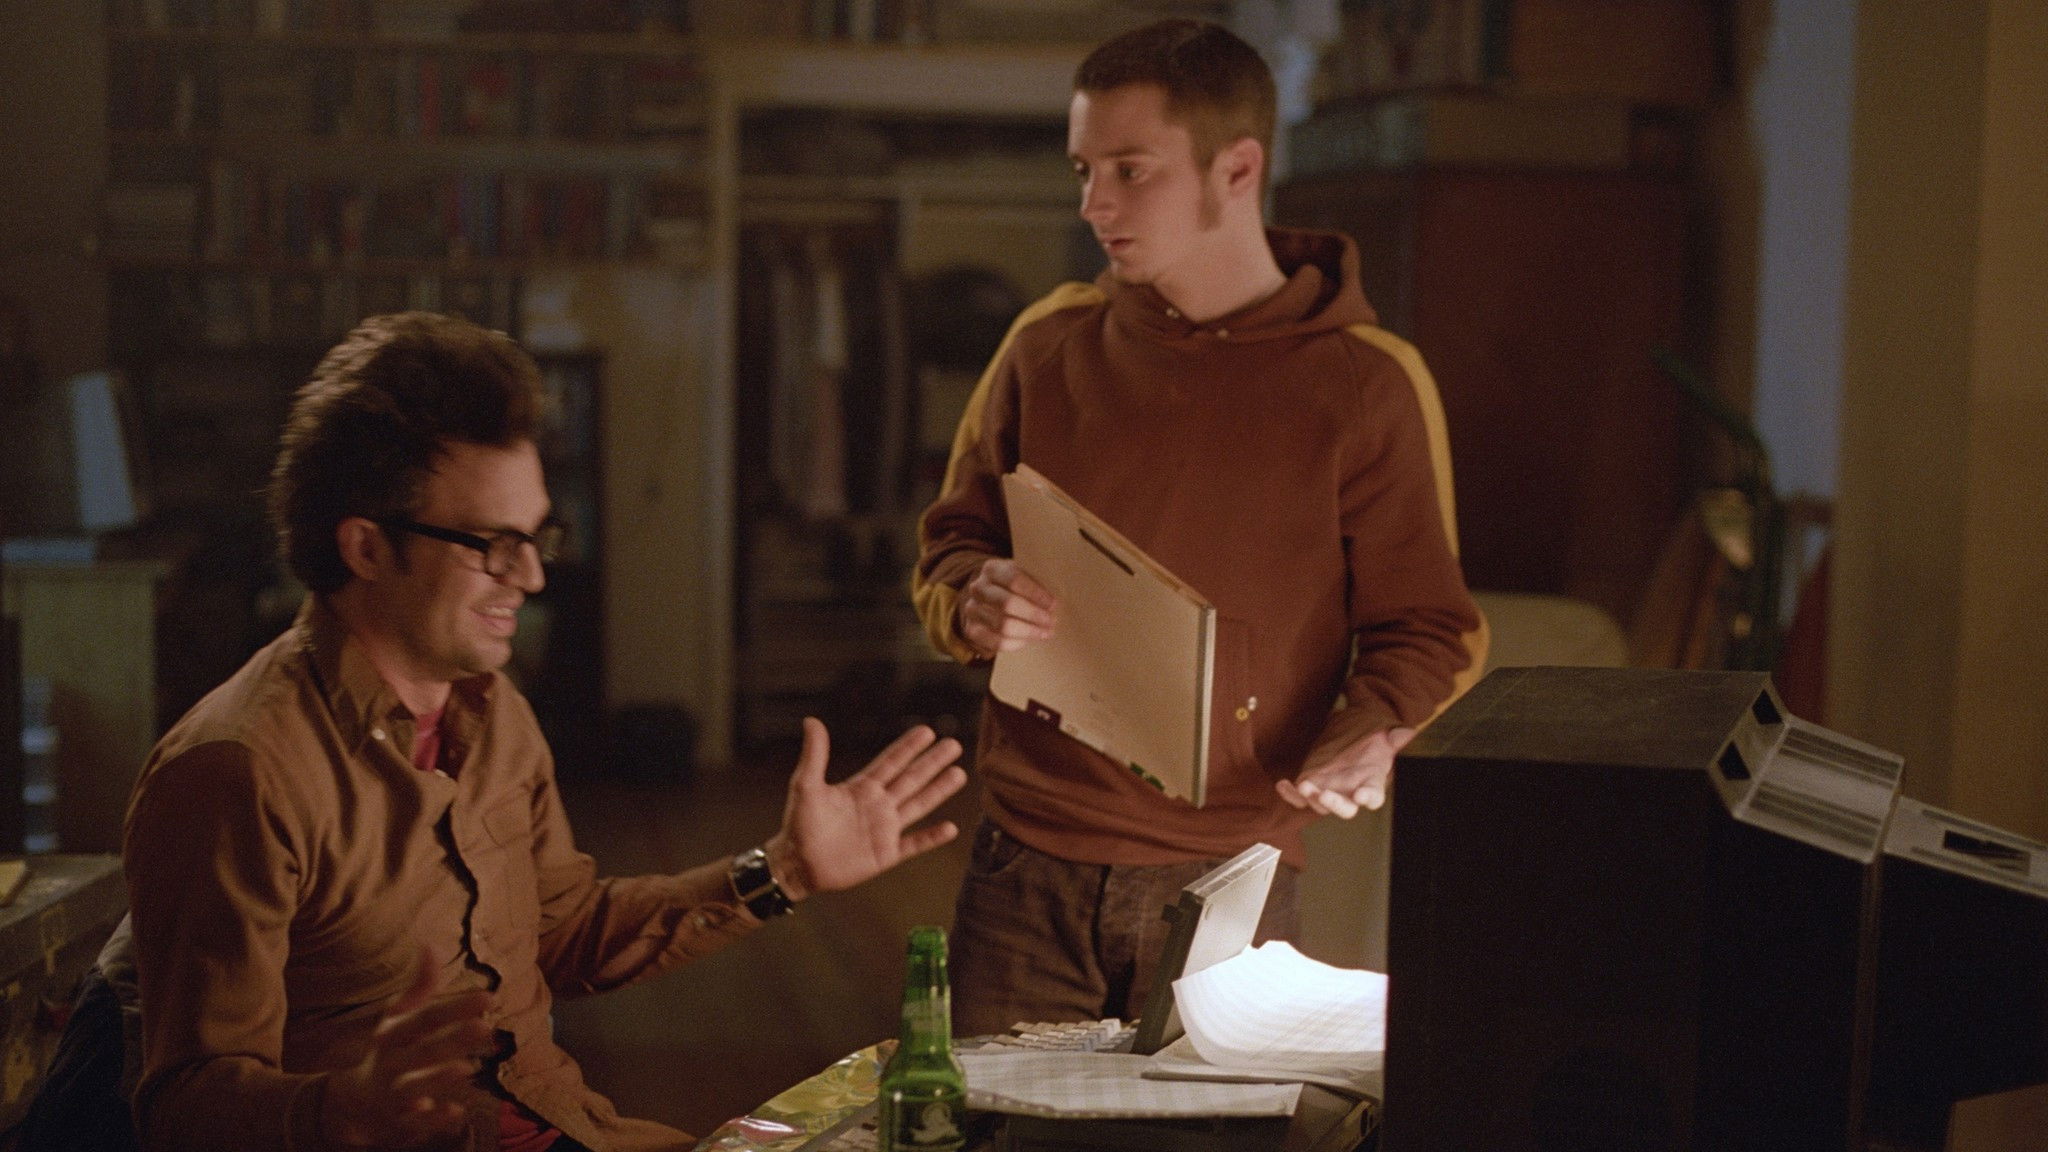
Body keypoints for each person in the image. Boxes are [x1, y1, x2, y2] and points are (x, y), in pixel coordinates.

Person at [109, 312, 967, 1152]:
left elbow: (558, 934)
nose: (530, 574)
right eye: (492, 543)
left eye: (536, 537)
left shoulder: (491, 706)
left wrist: (783, 870)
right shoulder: (237, 771)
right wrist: (342, 1112)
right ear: (366, 548)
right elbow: (182, 1105)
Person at [911, 18, 1489, 1037]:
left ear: (1239, 169)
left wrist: (1372, 728)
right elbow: (950, 545)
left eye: (1130, 171)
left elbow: (1429, 627)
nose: (1093, 205)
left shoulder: (1368, 383)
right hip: (1024, 868)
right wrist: (971, 597)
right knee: (991, 1120)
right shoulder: (1044, 345)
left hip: (1233, 880)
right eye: (1084, 170)